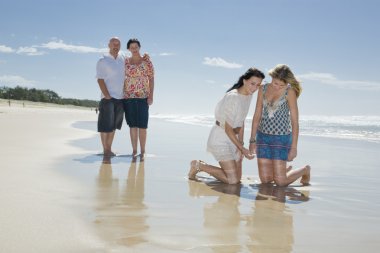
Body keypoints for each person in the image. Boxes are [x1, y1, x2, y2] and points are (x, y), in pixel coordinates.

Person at [188, 68, 265, 184]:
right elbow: (228, 129)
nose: (254, 88)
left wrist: (241, 144)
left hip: (233, 138)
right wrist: (242, 149)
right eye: (252, 83)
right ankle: (198, 165)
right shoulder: (233, 97)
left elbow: (241, 121)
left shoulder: (248, 96)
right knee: (232, 180)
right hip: (221, 138)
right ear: (244, 81)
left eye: (258, 85)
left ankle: (211, 168)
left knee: (237, 178)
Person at [249, 64, 311, 186]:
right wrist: (252, 140)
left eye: (281, 85)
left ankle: (305, 170)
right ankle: (282, 172)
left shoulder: (290, 92)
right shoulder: (263, 89)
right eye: (275, 83)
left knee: (280, 182)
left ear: (287, 83)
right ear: (271, 77)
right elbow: (257, 114)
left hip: (281, 138)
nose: (277, 87)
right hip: (262, 136)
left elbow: (294, 121)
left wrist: (294, 147)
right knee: (265, 180)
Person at [123, 38, 155, 158]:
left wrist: (151, 95)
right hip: (129, 96)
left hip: (143, 97)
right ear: (128, 49)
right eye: (132, 47)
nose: (134, 49)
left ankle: (143, 151)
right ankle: (134, 151)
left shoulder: (147, 62)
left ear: (139, 47)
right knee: (132, 125)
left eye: (136, 47)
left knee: (142, 125)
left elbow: (151, 79)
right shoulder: (125, 62)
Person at [96, 37, 125, 157]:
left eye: (118, 44)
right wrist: (107, 95)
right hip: (108, 98)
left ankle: (109, 148)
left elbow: (134, 61)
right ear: (109, 45)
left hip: (121, 98)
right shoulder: (103, 60)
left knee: (113, 125)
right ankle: (105, 150)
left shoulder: (123, 58)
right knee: (105, 125)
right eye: (113, 44)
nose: (116, 46)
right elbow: (100, 79)